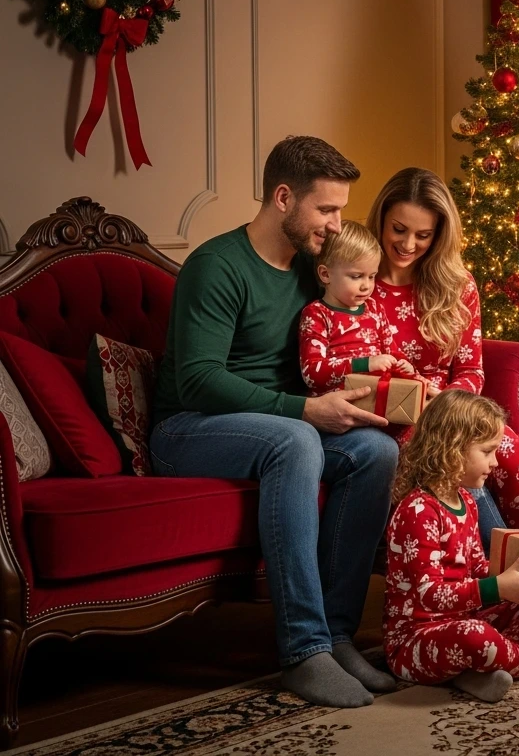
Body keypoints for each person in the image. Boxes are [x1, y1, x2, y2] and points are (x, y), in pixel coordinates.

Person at [150, 136, 400, 710]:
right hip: (189, 430)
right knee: (293, 439)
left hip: (278, 425)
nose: (338, 225)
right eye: (327, 209)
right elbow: (197, 380)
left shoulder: (314, 271)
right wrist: (306, 410)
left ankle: (336, 637)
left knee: (376, 452)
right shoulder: (216, 266)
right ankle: (303, 649)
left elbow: (342, 341)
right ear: (283, 197)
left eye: (341, 210)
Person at [383, 390, 519, 703]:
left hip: (463, 623)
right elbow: (430, 594)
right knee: (475, 638)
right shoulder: (418, 511)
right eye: (487, 451)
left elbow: (476, 568)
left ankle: (478, 670)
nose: (495, 461)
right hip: (413, 644)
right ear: (452, 448)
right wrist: (497, 588)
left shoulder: (467, 502)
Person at [366, 168, 519, 534]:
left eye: (423, 235)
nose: (408, 244)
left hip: (450, 410)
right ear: (381, 219)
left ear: (439, 235)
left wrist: (445, 403)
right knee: (456, 456)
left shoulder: (457, 284)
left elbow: (471, 370)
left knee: (506, 447)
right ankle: (490, 579)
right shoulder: (356, 280)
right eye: (398, 229)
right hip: (390, 419)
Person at [298, 220, 414, 398]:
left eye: (372, 276)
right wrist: (366, 364)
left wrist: (403, 364)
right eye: (356, 276)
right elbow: (312, 373)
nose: (366, 286)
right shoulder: (317, 314)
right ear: (326, 274)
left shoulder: (374, 309)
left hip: (379, 400)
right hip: (338, 408)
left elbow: (393, 351)